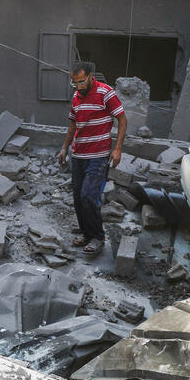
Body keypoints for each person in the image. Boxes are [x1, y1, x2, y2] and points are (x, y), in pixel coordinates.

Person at [56, 61, 127, 254]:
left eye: (80, 81)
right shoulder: (76, 97)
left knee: (89, 196)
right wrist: (64, 148)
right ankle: (87, 234)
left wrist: (118, 148)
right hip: (78, 155)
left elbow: (122, 119)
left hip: (98, 155)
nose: (78, 86)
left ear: (89, 77)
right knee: (78, 197)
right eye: (74, 82)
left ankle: (98, 237)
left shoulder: (106, 93)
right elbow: (73, 124)